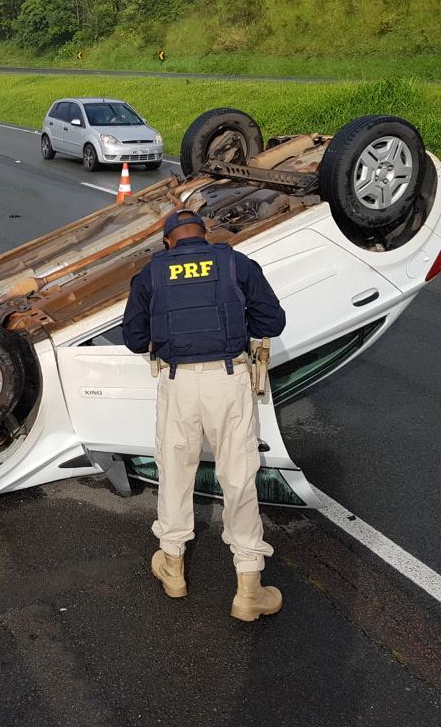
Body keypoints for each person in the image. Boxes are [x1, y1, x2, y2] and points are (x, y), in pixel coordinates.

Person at [122, 208, 287, 621]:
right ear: (205, 235)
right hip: (228, 380)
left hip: (178, 385)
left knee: (175, 471)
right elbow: (273, 321)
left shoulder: (152, 273)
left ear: (168, 242)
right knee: (238, 475)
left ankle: (173, 565)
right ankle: (248, 587)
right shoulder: (236, 263)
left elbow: (134, 338)